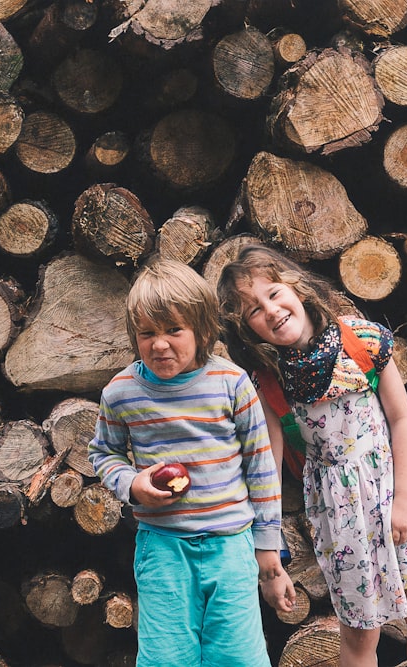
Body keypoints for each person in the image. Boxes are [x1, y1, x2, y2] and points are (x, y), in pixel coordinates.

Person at [217, 245, 407, 667]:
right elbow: (269, 472)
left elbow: (402, 419)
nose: (270, 311)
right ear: (247, 330)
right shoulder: (271, 383)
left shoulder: (361, 341)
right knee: (362, 633)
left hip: (393, 487)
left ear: (297, 286)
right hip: (340, 513)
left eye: (274, 293)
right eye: (254, 311)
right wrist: (268, 554)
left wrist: (404, 498)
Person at [88, 258, 295, 667]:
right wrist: (131, 484)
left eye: (173, 331)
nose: (159, 344)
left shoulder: (232, 384)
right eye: (147, 333)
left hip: (231, 545)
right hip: (163, 548)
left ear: (201, 330)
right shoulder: (122, 392)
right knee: (167, 658)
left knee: (238, 657)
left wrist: (267, 548)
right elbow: (103, 453)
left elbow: (261, 468)